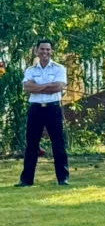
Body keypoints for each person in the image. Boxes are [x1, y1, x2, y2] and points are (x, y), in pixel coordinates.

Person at [16, 39, 69, 187]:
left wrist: (37, 87)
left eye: (48, 49)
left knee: (58, 143)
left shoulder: (59, 68)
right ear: (36, 51)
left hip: (53, 108)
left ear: (52, 51)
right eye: (42, 49)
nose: (45, 52)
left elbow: (58, 87)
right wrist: (48, 86)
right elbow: (27, 88)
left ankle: (63, 178)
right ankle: (26, 180)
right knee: (31, 144)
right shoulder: (30, 70)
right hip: (36, 109)